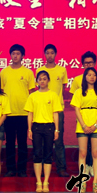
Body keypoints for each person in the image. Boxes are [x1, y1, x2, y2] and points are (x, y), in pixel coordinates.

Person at [68, 51, 97, 177]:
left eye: (90, 63)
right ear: (82, 64)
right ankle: (84, 171)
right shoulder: (77, 80)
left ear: (95, 63)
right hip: (82, 118)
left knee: (95, 149)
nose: (88, 65)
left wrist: (95, 124)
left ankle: (92, 166)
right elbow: (75, 102)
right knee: (83, 149)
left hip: (96, 119)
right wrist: (83, 124)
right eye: (86, 63)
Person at [24, 70, 63, 193]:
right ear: (36, 81)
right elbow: (30, 114)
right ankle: (38, 182)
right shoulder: (32, 96)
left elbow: (55, 113)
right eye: (40, 79)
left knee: (48, 154)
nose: (42, 81)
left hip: (49, 127)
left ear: (48, 81)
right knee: (37, 154)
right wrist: (29, 129)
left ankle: (46, 182)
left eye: (44, 79)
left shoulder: (53, 95)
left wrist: (57, 129)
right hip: (36, 127)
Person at [1, 44, 36, 177]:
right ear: (10, 55)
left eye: (18, 53)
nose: (15, 56)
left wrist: (32, 112)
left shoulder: (28, 72)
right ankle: (10, 169)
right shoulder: (4, 72)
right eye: (13, 53)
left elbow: (32, 93)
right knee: (9, 142)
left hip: (23, 113)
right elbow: (1, 93)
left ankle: (22, 169)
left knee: (22, 142)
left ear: (22, 56)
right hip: (8, 113)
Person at [35, 44, 69, 176]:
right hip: (42, 111)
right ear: (44, 54)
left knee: (58, 140)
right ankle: (43, 168)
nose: (50, 55)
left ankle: (61, 168)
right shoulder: (40, 70)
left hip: (57, 110)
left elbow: (63, 88)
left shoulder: (62, 70)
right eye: (47, 53)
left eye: (52, 53)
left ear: (55, 54)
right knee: (43, 141)